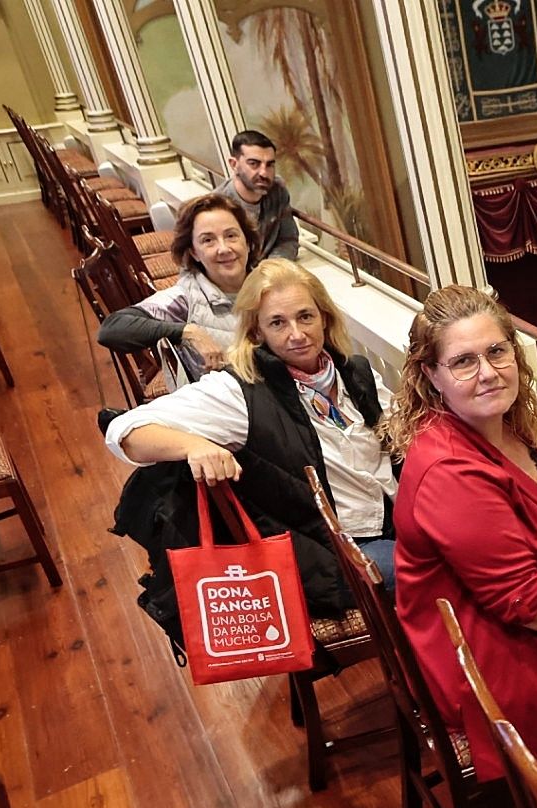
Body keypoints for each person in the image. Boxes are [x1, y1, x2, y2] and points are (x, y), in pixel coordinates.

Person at [388, 286, 537, 782]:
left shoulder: (507, 421)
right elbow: (527, 603)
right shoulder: (450, 471)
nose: (488, 372)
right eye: (463, 361)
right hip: (495, 663)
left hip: (531, 619)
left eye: (496, 351)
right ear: (432, 375)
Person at [105, 258, 397, 613]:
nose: (297, 334)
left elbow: (400, 439)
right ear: (257, 332)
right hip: (331, 553)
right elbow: (124, 431)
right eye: (278, 323)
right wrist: (195, 446)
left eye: (306, 316)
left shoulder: (355, 373)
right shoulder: (240, 393)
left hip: (392, 519)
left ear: (325, 317)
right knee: (436, 570)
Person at [97, 192, 258, 382]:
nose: (223, 249)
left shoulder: (269, 285)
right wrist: (187, 331)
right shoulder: (184, 299)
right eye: (208, 240)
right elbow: (112, 329)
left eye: (231, 236)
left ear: (247, 242)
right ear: (194, 252)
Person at [216, 130, 300, 261]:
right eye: (254, 164)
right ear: (234, 164)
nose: (264, 173)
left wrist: (270, 270)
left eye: (269, 165)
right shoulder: (216, 206)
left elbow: (288, 239)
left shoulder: (277, 190)